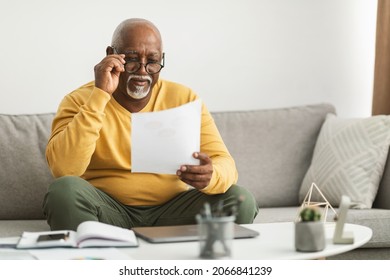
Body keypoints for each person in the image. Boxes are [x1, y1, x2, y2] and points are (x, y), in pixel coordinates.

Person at [43, 18, 259, 231]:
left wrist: (211, 176)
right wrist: (100, 95)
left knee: (241, 200)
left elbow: (225, 162)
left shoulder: (184, 98)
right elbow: (64, 169)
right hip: (107, 211)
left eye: (153, 61)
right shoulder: (79, 100)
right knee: (64, 192)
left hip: (173, 211)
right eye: (132, 58)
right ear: (111, 55)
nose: (143, 70)